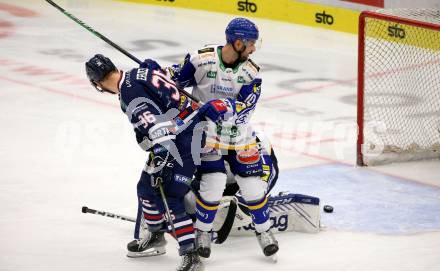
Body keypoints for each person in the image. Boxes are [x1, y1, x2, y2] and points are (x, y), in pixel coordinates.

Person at [85, 54, 232, 271]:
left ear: (97, 84)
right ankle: (155, 235)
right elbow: (165, 84)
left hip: (184, 139)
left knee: (169, 194)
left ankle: (190, 255)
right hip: (182, 130)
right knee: (145, 188)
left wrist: (162, 161)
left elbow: (159, 130)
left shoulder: (128, 95)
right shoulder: (138, 73)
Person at [173, 17, 279, 259]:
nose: (254, 49)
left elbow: (246, 107)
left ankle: (264, 232)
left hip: (239, 137)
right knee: (214, 183)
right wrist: (157, 75)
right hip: (206, 136)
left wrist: (223, 105)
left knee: (252, 187)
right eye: (251, 43)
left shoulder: (251, 72)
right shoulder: (202, 60)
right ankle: (203, 233)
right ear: (238, 42)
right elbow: (173, 82)